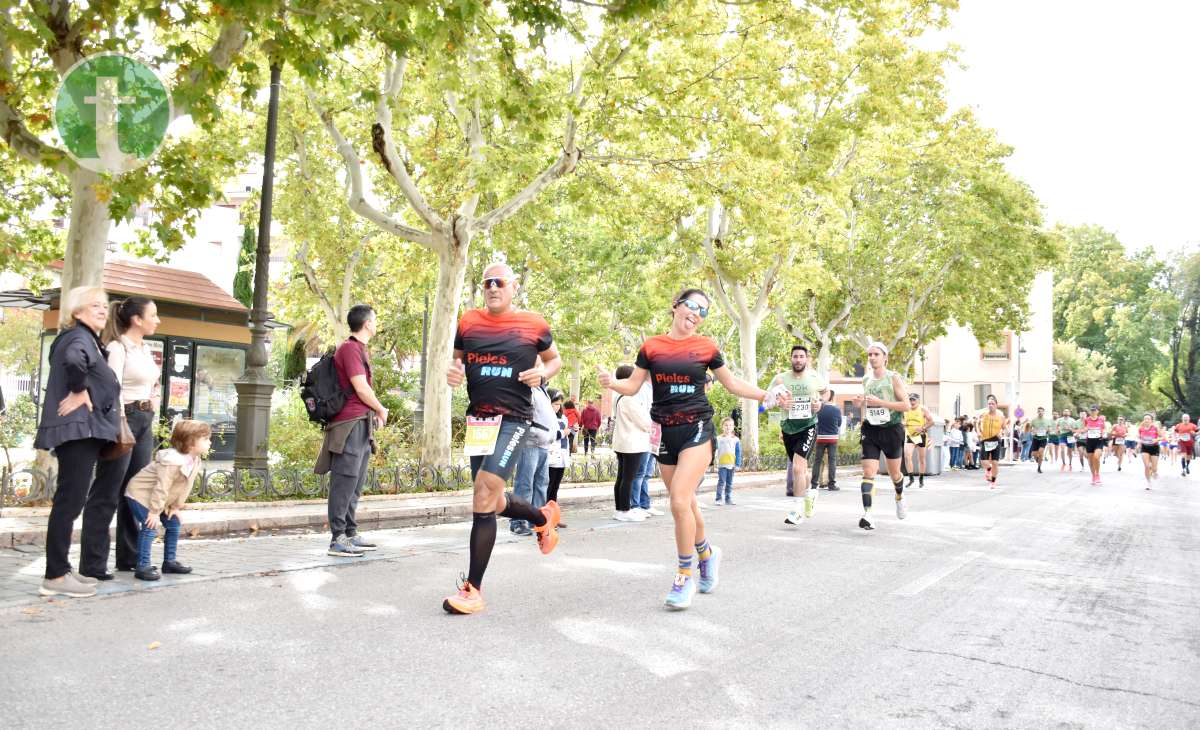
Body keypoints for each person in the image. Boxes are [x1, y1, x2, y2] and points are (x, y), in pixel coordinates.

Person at [599, 287, 786, 610]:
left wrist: (765, 396)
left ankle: (684, 575)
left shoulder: (706, 347)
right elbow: (633, 385)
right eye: (691, 306)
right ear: (675, 306)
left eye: (703, 311)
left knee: (678, 501)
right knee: (686, 505)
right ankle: (707, 554)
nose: (696, 314)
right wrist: (611, 383)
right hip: (663, 431)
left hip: (697, 429)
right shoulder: (652, 347)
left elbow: (732, 383)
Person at [443, 263, 562, 615]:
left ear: (513, 287)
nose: (493, 288)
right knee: (491, 501)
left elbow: (554, 360)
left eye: (500, 283)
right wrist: (453, 371)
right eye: (487, 283)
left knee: (483, 493)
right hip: (479, 419)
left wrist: (542, 372)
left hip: (514, 418)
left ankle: (473, 589)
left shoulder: (534, 324)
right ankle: (542, 518)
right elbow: (457, 362)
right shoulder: (468, 322)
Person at [34, 287, 122, 598]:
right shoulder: (78, 338)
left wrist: (87, 390)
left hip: (83, 429)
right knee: (69, 502)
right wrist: (80, 389)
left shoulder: (88, 339)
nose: (102, 310)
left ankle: (61, 569)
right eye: (94, 305)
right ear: (77, 312)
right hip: (77, 430)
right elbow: (73, 361)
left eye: (104, 306)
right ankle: (55, 575)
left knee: (71, 500)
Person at [79, 296, 163, 580]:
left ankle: (128, 558)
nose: (157, 320)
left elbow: (148, 382)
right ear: (137, 319)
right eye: (153, 315)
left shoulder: (145, 348)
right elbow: (109, 388)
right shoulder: (117, 348)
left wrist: (152, 397)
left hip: (143, 421)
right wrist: (119, 423)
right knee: (107, 491)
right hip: (122, 421)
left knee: (135, 490)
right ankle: (92, 564)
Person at [315, 304, 388, 558]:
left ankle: (349, 531)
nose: (376, 323)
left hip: (360, 422)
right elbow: (361, 388)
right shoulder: (349, 349)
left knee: (355, 482)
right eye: (375, 319)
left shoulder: (359, 349)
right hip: (348, 425)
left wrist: (373, 413)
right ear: (367, 323)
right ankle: (337, 538)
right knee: (344, 480)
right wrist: (381, 409)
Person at [124, 420, 211, 581]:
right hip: (140, 494)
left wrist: (175, 507)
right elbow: (162, 487)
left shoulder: (194, 460)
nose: (209, 442)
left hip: (158, 498)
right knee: (150, 526)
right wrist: (154, 512)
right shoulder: (172, 461)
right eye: (205, 439)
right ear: (190, 443)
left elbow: (185, 486)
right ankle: (143, 566)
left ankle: (169, 562)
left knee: (173, 523)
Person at [852, 342, 910, 530]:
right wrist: (860, 403)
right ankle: (868, 515)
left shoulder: (893, 378)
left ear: (885, 357)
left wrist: (882, 402)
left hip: (892, 429)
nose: (872, 358)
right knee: (869, 472)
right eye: (869, 354)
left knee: (895, 474)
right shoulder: (866, 379)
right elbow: (868, 404)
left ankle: (899, 497)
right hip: (870, 429)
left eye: (876, 354)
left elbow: (906, 405)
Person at [769, 345, 829, 526]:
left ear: (807, 359)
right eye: (795, 356)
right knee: (801, 470)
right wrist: (781, 403)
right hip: (788, 427)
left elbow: (826, 392)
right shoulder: (780, 378)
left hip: (809, 426)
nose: (798, 360)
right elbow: (768, 399)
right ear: (791, 358)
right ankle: (811, 492)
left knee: (796, 469)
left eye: (801, 356)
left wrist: (820, 402)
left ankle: (796, 511)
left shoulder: (814, 377)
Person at [510, 380, 558, 535]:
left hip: (543, 444)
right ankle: (518, 522)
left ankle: (536, 519)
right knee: (525, 484)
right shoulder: (528, 388)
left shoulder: (542, 390)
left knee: (541, 484)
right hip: (530, 442)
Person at [610, 365, 653, 522]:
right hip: (632, 443)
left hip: (623, 442)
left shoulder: (619, 396)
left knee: (622, 477)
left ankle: (620, 509)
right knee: (628, 478)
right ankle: (624, 510)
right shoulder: (629, 398)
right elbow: (644, 422)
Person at [628, 377, 664, 517]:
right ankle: (635, 505)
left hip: (655, 436)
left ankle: (645, 504)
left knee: (647, 473)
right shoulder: (641, 389)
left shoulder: (657, 389)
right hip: (644, 436)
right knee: (640, 473)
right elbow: (641, 414)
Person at [546, 389, 570, 528]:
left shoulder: (563, 417)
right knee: (548, 488)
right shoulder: (545, 417)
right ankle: (546, 518)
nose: (557, 407)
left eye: (559, 404)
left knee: (555, 488)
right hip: (550, 456)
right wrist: (563, 432)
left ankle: (553, 518)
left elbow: (564, 434)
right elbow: (549, 435)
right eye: (554, 403)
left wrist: (572, 431)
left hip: (561, 456)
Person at [811, 390, 842, 490]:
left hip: (820, 438)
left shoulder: (818, 409)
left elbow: (814, 422)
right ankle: (831, 484)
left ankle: (814, 484)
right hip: (833, 438)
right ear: (832, 397)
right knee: (832, 461)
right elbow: (839, 424)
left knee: (817, 461)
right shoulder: (836, 409)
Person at [902, 393, 933, 489]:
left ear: (918, 401)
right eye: (910, 400)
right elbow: (901, 421)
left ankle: (921, 479)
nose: (912, 402)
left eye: (914, 400)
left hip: (921, 436)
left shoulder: (923, 409)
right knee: (907, 456)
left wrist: (923, 428)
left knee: (921, 459)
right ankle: (911, 479)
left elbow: (931, 421)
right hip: (910, 435)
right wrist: (903, 424)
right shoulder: (905, 409)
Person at [978, 396, 1006, 488]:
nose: (990, 405)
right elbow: (977, 423)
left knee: (995, 462)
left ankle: (993, 482)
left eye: (992, 404)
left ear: (996, 405)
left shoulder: (1001, 416)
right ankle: (988, 469)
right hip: (985, 439)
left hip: (995, 440)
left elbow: (1004, 427)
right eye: (989, 404)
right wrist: (979, 432)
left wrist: (1002, 432)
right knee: (983, 461)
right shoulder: (983, 414)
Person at [714, 417, 741, 505]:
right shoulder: (718, 438)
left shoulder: (736, 439)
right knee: (721, 482)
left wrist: (737, 464)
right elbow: (715, 451)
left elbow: (738, 452)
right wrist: (714, 464)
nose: (728, 427)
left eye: (730, 425)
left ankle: (728, 499)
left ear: (733, 427)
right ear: (722, 427)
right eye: (726, 425)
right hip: (722, 465)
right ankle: (718, 499)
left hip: (731, 464)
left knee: (729, 483)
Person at [1079, 405, 1107, 486]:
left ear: (1098, 411)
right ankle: (1093, 476)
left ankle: (1097, 474)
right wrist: (1079, 433)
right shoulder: (1086, 420)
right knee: (1090, 461)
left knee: (1096, 457)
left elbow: (1104, 429)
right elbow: (1085, 429)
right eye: (1091, 410)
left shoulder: (1101, 420)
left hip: (1099, 441)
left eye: (1094, 410)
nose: (1093, 412)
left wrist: (1104, 433)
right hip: (1089, 441)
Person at [1137, 414, 1160, 489]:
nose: (1146, 420)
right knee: (1146, 466)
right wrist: (1138, 443)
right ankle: (1148, 482)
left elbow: (1163, 437)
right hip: (1144, 447)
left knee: (1154, 468)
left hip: (1154, 448)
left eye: (1148, 419)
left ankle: (1154, 471)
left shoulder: (1155, 428)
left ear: (1151, 420)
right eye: (1145, 419)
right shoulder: (1141, 428)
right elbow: (1138, 437)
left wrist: (1157, 439)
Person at [1029, 407, 1053, 473]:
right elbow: (1030, 428)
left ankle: (1039, 468)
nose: (1040, 412)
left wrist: (1048, 430)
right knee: (1034, 454)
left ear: (1043, 412)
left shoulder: (1047, 420)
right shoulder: (1034, 420)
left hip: (1043, 438)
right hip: (1036, 438)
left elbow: (1050, 429)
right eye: (1039, 411)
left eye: (1041, 411)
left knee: (1041, 452)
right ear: (1037, 412)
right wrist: (1033, 431)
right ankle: (1037, 459)